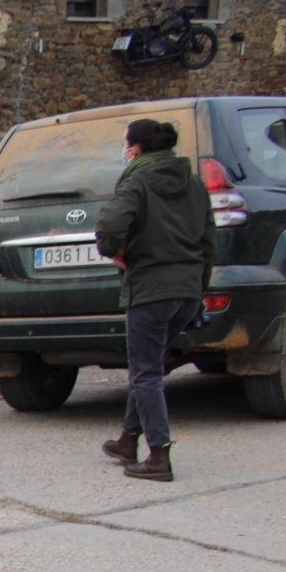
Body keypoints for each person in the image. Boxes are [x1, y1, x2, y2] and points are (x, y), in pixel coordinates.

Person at [95, 119, 213, 482]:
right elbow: (209, 238)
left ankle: (158, 455)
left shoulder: (136, 180)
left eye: (125, 143)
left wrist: (113, 252)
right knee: (150, 365)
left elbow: (111, 227)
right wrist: (200, 289)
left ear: (136, 149)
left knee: (145, 372)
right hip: (187, 289)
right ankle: (128, 439)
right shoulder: (193, 182)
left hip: (151, 289)